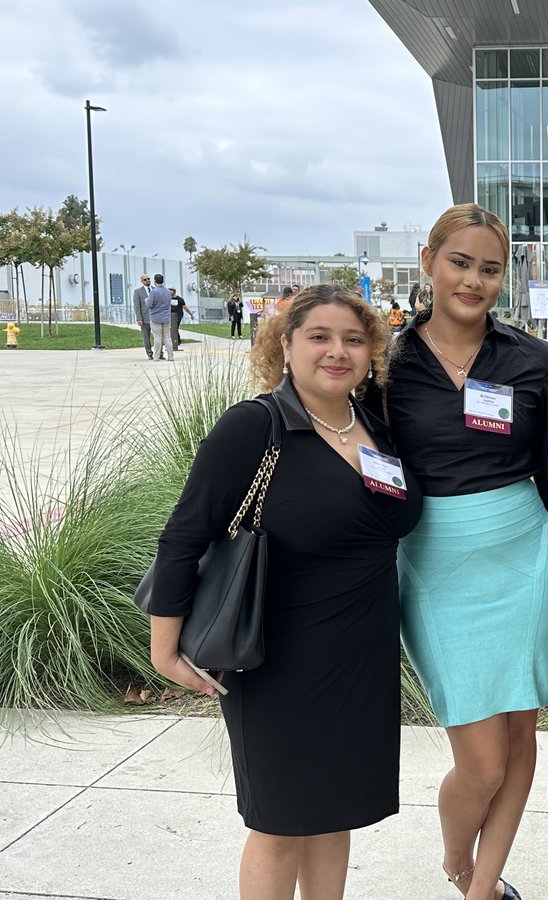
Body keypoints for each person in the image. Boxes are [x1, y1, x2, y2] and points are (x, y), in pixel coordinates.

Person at [147, 284, 422, 900]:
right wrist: (165, 649)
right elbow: (184, 536)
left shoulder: (374, 428)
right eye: (319, 336)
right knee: (278, 823)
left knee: (335, 812)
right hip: (276, 657)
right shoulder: (255, 426)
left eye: (354, 339)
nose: (338, 351)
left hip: (362, 654)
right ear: (286, 345)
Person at [383, 202, 548, 900]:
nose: (473, 280)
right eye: (460, 263)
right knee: (481, 762)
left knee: (522, 736)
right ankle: (456, 860)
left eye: (490, 269)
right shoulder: (388, 363)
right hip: (435, 564)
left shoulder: (530, 359)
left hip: (527, 557)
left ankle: (484, 888)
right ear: (429, 260)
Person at [147, 274, 173, 361]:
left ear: (155, 281)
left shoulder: (153, 292)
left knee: (157, 337)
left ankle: (157, 356)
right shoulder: (168, 292)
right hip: (166, 317)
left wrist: (146, 301)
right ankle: (170, 356)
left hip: (155, 317)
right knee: (167, 337)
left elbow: (149, 305)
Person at [133, 274, 153, 360]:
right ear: (142, 281)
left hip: (155, 317)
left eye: (148, 279)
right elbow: (137, 306)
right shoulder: (138, 292)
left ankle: (159, 353)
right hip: (145, 317)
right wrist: (139, 318)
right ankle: (149, 353)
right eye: (145, 279)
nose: (147, 280)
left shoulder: (154, 289)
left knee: (158, 336)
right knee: (146, 336)